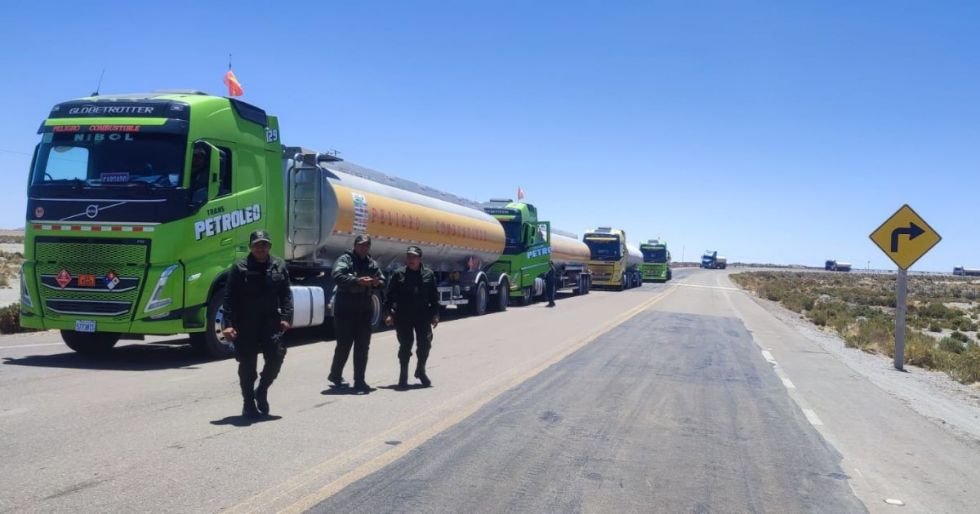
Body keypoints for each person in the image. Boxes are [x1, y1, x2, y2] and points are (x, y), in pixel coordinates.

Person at [222, 230, 293, 418]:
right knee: (247, 366)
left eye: (264, 244)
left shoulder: (279, 265)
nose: (261, 248)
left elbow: (286, 294)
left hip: (271, 322)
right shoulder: (239, 267)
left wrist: (286, 317)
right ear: (250, 247)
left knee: (276, 357)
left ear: (269, 246)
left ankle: (261, 390)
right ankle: (248, 404)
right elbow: (228, 297)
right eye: (257, 245)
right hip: (245, 323)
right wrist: (227, 324)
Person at [329, 234, 385, 392]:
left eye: (366, 245)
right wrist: (357, 281)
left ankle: (359, 380)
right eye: (360, 245)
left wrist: (376, 282)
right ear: (354, 246)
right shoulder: (345, 260)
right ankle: (335, 375)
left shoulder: (372, 263)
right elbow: (337, 275)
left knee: (363, 346)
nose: (363, 248)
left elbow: (382, 280)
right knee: (344, 345)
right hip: (346, 309)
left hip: (364, 310)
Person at [384, 245, 440, 388]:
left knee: (425, 344)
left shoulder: (428, 274)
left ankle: (420, 370)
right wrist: (389, 314)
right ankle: (403, 376)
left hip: (422, 316)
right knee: (405, 345)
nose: (411, 259)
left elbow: (434, 298)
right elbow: (389, 297)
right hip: (403, 316)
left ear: (420, 259)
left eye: (414, 257)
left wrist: (435, 315)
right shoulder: (398, 274)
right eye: (409, 256)